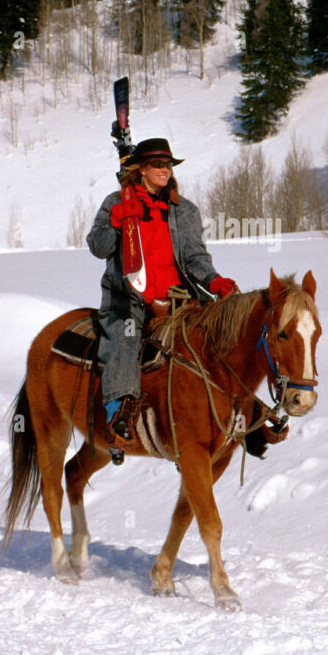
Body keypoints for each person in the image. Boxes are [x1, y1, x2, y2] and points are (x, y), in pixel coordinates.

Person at [86, 137, 237, 463]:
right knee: (125, 339)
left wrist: (214, 280)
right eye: (157, 164)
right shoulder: (115, 201)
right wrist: (116, 220)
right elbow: (97, 246)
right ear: (140, 169)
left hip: (180, 299)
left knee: (224, 337)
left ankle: (240, 411)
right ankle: (118, 417)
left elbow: (195, 257)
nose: (165, 170)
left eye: (168, 164)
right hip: (129, 300)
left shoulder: (184, 210)